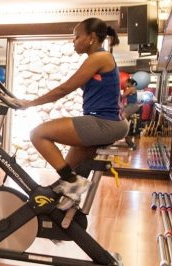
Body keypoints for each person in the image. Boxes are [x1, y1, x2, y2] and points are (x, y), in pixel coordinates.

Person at [11, 17, 129, 206]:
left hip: (106, 123)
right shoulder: (99, 58)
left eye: (76, 37)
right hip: (108, 123)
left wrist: (29, 103)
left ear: (91, 37)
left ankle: (73, 184)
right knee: (68, 171)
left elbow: (64, 89)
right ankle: (65, 214)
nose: (73, 41)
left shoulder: (99, 57)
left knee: (38, 134)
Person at [121, 78, 141, 149]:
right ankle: (128, 139)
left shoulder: (130, 88)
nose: (124, 84)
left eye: (125, 82)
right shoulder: (133, 88)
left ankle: (128, 140)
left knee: (122, 121)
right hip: (132, 105)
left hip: (132, 106)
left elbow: (122, 96)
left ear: (129, 83)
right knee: (124, 121)